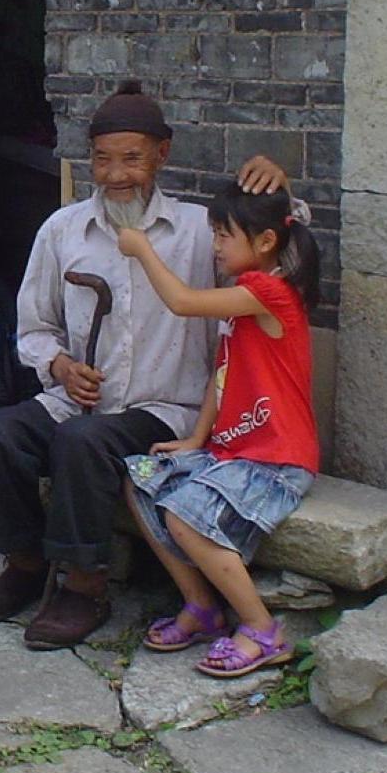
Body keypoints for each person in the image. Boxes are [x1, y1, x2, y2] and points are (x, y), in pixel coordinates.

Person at [0, 80, 287, 650]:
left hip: (164, 407)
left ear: (161, 155)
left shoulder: (196, 229)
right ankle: (24, 564)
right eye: (103, 160)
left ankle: (85, 586)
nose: (115, 175)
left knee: (84, 442)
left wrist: (276, 186)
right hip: (79, 400)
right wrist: (61, 366)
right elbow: (34, 328)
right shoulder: (63, 231)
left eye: (132, 159)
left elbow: (277, 248)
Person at [118, 183, 320, 676]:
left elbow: (183, 302)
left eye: (225, 235)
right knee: (142, 478)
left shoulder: (270, 293)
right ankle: (202, 607)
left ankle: (263, 630)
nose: (216, 246)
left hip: (276, 459)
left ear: (266, 240)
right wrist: (195, 440)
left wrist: (143, 248)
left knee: (186, 515)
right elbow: (222, 375)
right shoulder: (243, 299)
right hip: (233, 452)